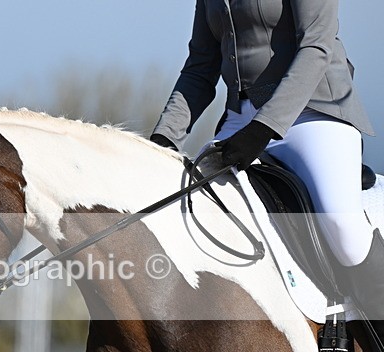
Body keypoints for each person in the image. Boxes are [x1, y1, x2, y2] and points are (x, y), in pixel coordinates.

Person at [150, 0, 383, 331]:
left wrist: (264, 129)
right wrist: (163, 138)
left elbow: (316, 46)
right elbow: (201, 67)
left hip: (313, 110)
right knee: (183, 207)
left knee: (344, 228)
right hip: (239, 120)